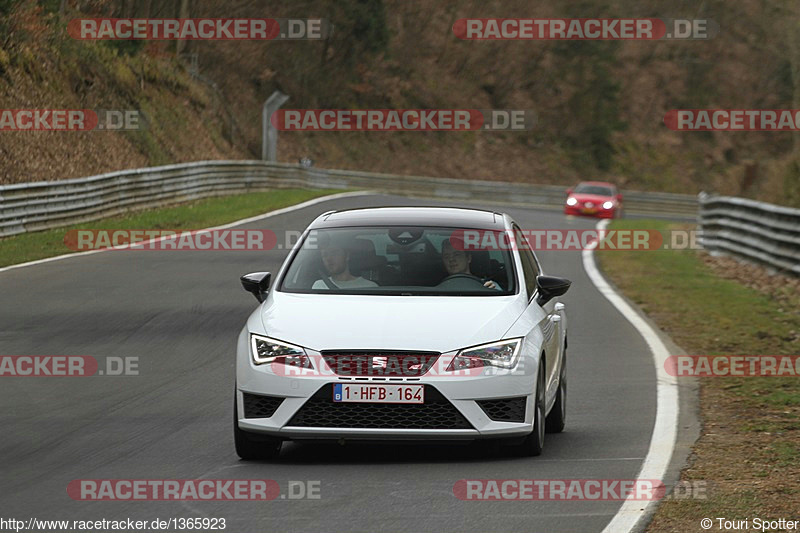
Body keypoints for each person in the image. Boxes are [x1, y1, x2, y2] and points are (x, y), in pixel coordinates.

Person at [312, 238, 378, 290]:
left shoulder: (369, 287)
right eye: (325, 255)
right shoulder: (319, 286)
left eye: (334, 253)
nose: (329, 258)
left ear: (347, 256)